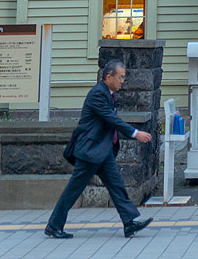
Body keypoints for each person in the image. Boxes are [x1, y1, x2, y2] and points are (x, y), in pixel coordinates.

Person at [45, 58, 153, 240]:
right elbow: (111, 119)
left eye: (123, 77)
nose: (123, 81)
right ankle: (54, 226)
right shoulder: (97, 94)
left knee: (117, 186)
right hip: (90, 151)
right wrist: (135, 133)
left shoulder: (107, 93)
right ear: (109, 77)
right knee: (73, 190)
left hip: (102, 151)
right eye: (120, 77)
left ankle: (129, 223)